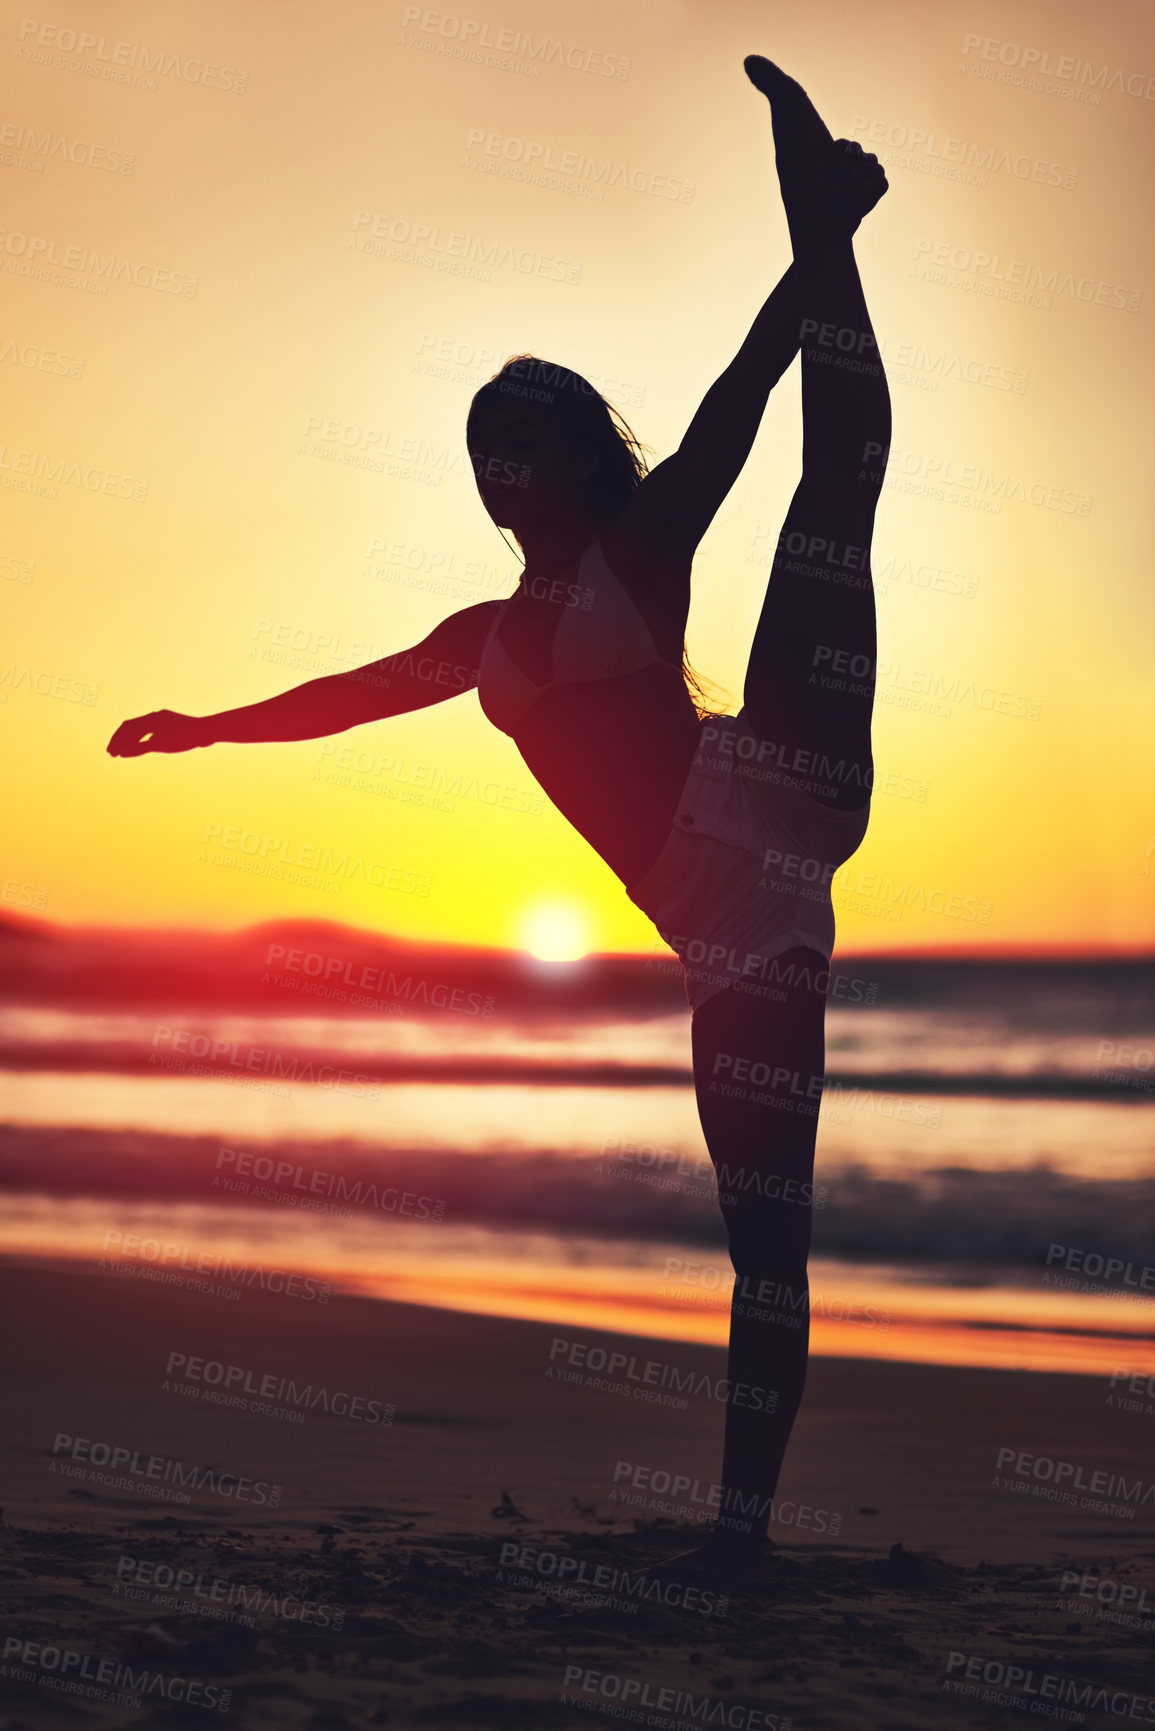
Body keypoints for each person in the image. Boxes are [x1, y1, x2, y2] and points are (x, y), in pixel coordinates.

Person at [109, 58, 890, 1580]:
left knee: (833, 484)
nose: (495, 466)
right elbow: (351, 690)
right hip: (740, 920)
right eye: (480, 449)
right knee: (763, 1243)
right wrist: (207, 725)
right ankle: (745, 1529)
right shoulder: (485, 633)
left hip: (786, 779)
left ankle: (831, 217)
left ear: (574, 455)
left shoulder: (641, 546)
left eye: (518, 439)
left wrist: (807, 261)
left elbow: (733, 410)